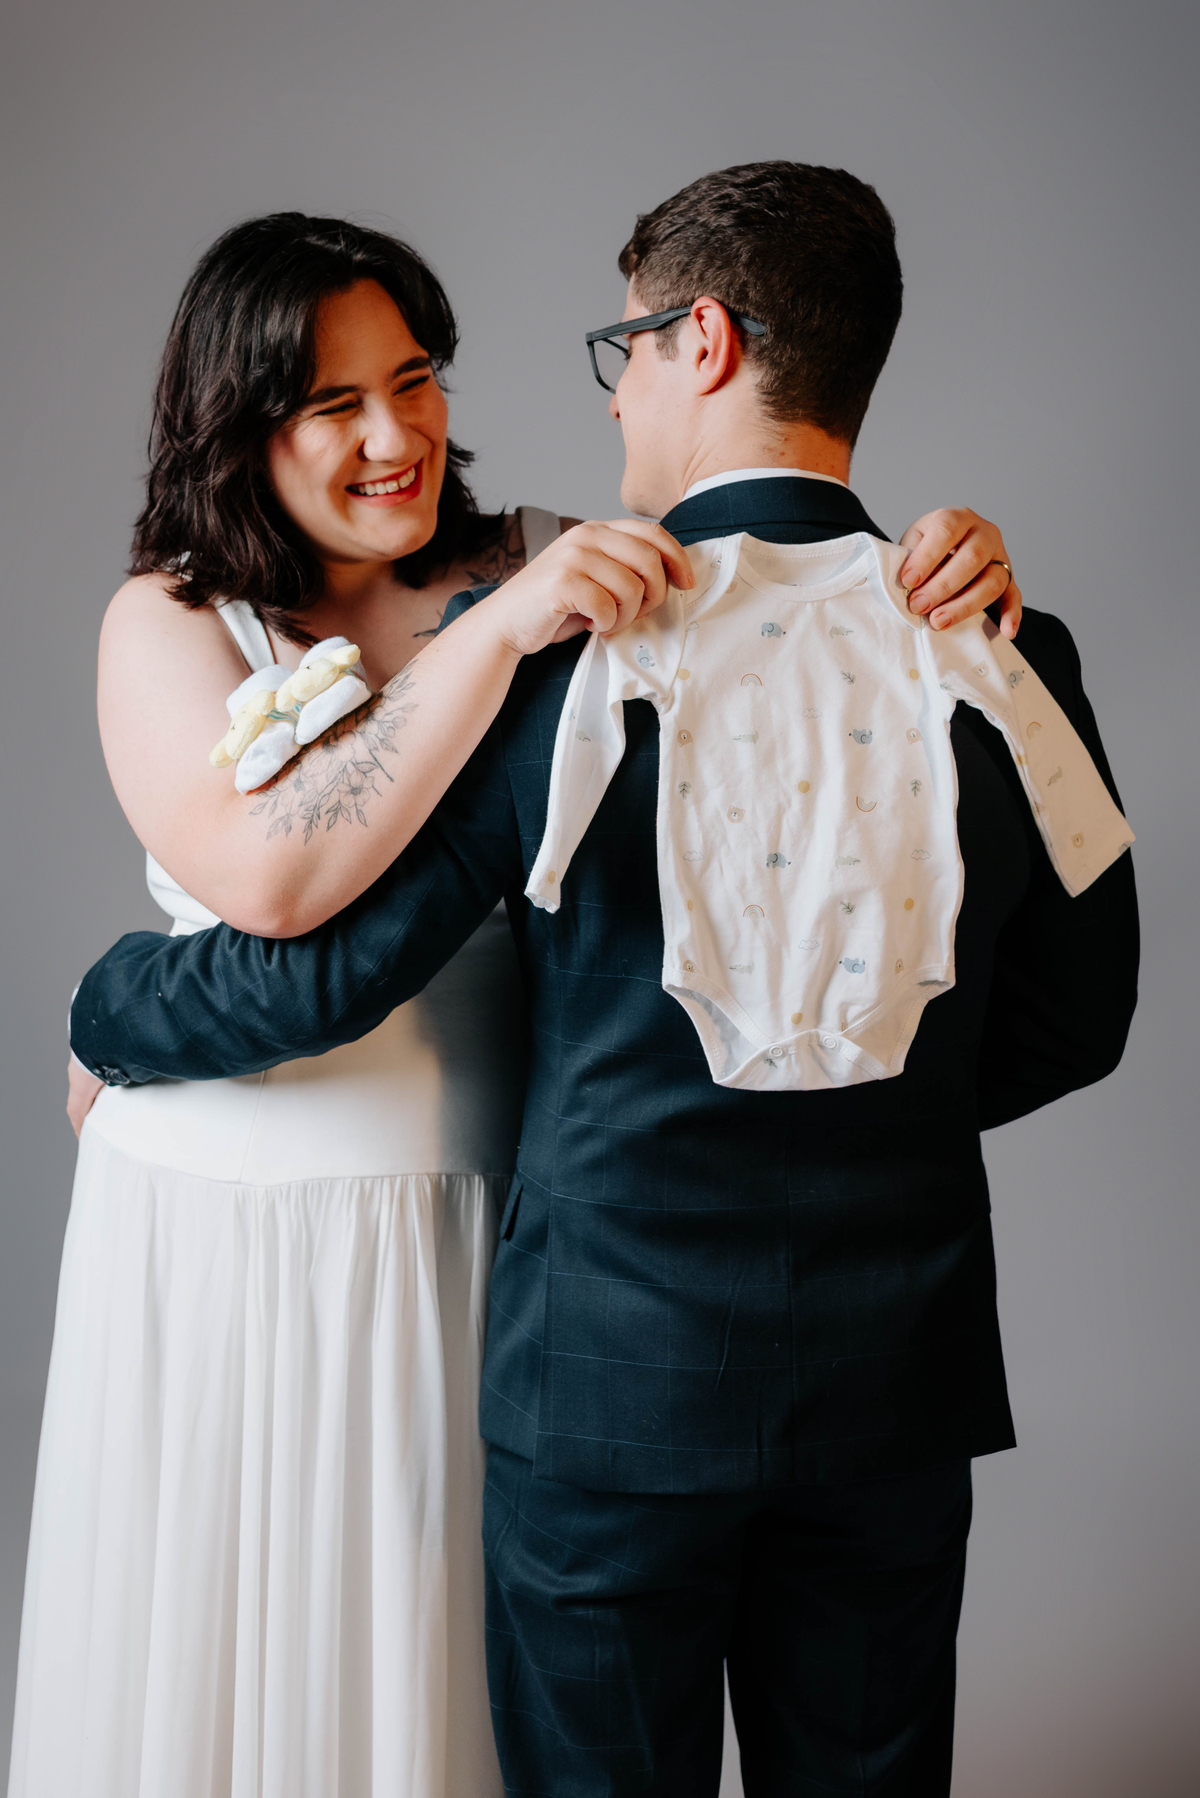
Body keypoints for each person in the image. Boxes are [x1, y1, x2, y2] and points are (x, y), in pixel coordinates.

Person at [35, 194, 1027, 1798]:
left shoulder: (569, 564)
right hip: (233, 1234)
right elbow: (275, 893)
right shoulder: (169, 619)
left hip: (496, 1229)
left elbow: (791, 676)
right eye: (334, 401)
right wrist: (116, 1003)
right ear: (237, 423)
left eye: (415, 378)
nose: (397, 434)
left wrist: (934, 558)